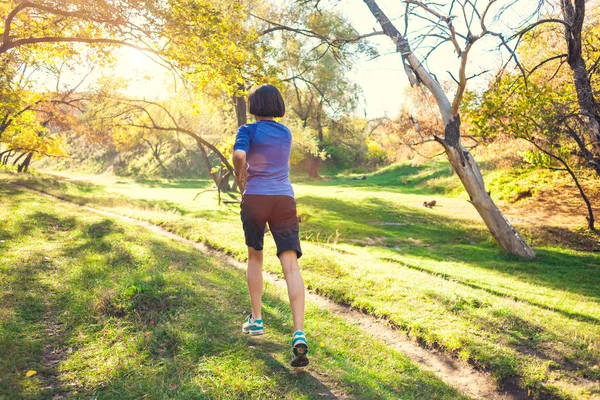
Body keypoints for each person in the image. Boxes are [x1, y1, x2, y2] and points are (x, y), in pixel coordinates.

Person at [232, 84, 309, 368]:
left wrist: (240, 173)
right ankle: (298, 332)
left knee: (255, 257)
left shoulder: (247, 130)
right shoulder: (286, 133)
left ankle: (257, 320)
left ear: (254, 105)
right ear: (277, 105)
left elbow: (240, 156)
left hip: (255, 198)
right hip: (284, 200)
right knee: (291, 265)